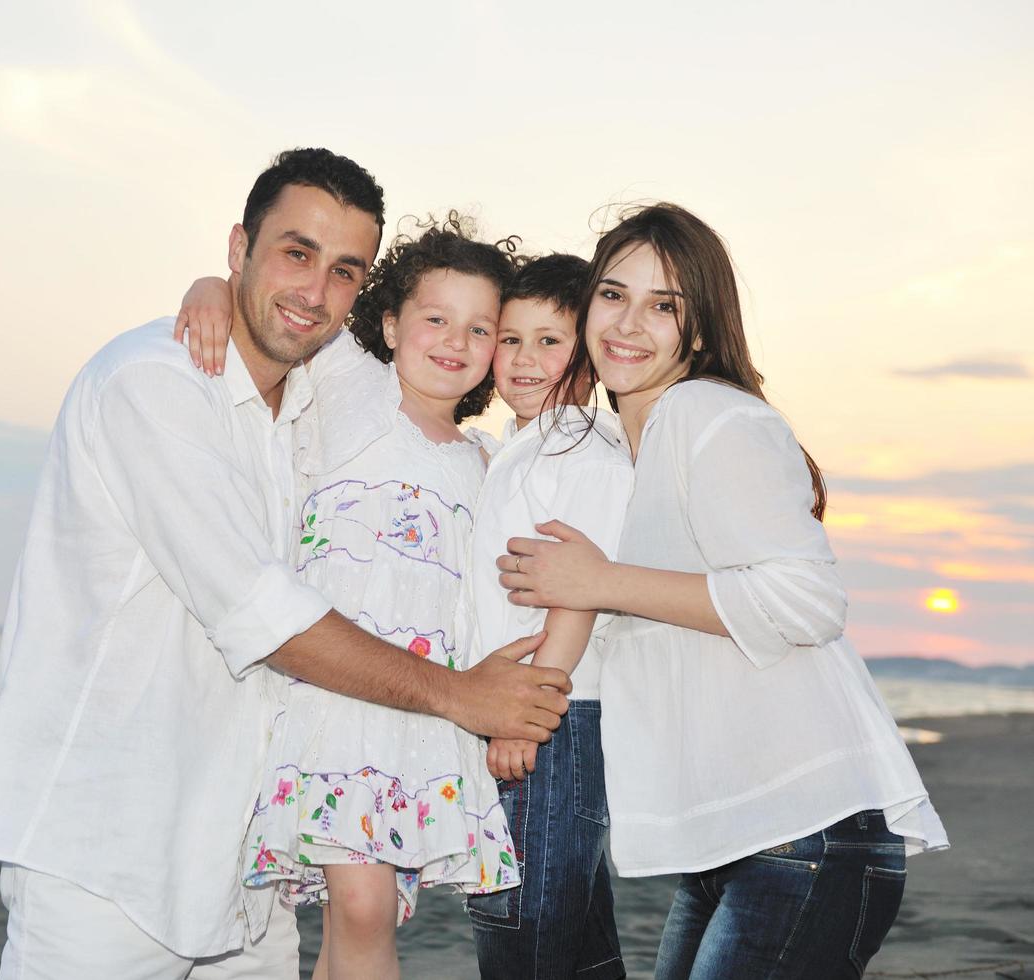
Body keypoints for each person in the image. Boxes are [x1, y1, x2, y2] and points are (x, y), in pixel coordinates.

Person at [0, 148, 573, 980]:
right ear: (239, 246)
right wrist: (461, 695)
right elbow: (257, 607)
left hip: (244, 868)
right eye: (295, 252)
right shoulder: (156, 383)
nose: (315, 290)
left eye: (343, 270)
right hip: (110, 855)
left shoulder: (308, 407)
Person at [499, 203, 949, 979]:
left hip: (809, 832)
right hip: (742, 841)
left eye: (663, 305)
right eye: (613, 295)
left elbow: (807, 602)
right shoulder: (629, 453)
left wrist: (603, 581)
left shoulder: (708, 416)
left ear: (700, 330)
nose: (629, 323)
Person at [178, 214, 529, 980]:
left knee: (355, 918)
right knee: (364, 908)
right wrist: (209, 287)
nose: (454, 341)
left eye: (480, 329)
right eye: (435, 318)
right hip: (333, 702)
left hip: (426, 718)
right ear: (392, 323)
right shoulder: (353, 390)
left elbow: (501, 601)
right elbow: (277, 313)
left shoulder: (492, 464)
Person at [460, 254, 633, 980]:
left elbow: (578, 591)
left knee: (523, 938)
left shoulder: (581, 449)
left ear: (589, 358)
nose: (524, 358)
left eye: (549, 340)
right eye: (510, 338)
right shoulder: (519, 448)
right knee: (578, 947)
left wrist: (524, 713)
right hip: (538, 717)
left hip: (548, 722)